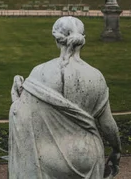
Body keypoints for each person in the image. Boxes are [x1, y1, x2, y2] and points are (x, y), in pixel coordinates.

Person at [9, 16, 121, 178]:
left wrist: (16, 97)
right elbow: (108, 125)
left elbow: (21, 114)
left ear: (56, 38)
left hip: (49, 157)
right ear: (83, 39)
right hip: (87, 155)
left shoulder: (39, 73)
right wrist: (117, 149)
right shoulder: (96, 76)